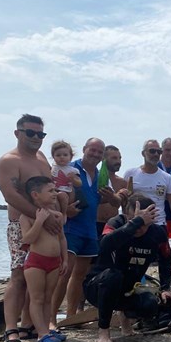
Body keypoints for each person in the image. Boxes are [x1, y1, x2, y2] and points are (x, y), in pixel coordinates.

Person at [0, 114, 63, 342]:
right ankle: (11, 329)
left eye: (41, 134)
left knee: (41, 281)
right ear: (18, 133)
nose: (36, 138)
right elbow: (10, 195)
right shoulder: (9, 161)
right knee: (18, 275)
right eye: (31, 133)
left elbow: (50, 190)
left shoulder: (42, 158)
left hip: (49, 225)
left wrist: (57, 215)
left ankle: (30, 324)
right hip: (21, 224)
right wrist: (39, 218)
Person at [84, 196, 171, 342]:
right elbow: (104, 245)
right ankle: (103, 330)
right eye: (135, 220)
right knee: (113, 276)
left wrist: (166, 288)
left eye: (144, 223)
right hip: (97, 287)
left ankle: (125, 316)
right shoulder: (116, 223)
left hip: (127, 291)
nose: (139, 228)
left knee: (150, 305)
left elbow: (166, 259)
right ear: (128, 216)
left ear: (152, 218)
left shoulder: (157, 233)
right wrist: (135, 223)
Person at [51, 138, 120, 325]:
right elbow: (52, 193)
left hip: (90, 229)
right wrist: (65, 210)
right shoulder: (69, 168)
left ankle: (71, 316)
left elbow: (105, 200)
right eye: (92, 150)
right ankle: (50, 319)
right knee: (64, 272)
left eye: (99, 152)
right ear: (84, 149)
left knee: (80, 274)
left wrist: (113, 197)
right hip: (71, 228)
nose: (95, 154)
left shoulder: (100, 174)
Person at [20, 176, 68, 342]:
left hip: (54, 261)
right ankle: (41, 333)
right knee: (37, 298)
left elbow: (61, 238)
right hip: (36, 262)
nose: (55, 193)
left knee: (49, 297)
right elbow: (28, 239)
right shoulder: (27, 216)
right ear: (35, 194)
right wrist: (39, 221)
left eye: (55, 190)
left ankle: (47, 329)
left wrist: (65, 259)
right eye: (50, 191)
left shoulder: (57, 215)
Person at [123, 139, 171, 243]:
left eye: (158, 152)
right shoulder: (131, 173)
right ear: (143, 153)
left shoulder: (167, 178)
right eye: (151, 151)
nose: (155, 154)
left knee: (162, 257)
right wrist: (126, 221)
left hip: (158, 224)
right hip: (136, 224)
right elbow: (125, 200)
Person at [96, 145, 128, 237]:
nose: (118, 161)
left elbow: (126, 209)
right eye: (114, 158)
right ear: (103, 159)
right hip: (95, 223)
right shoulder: (95, 178)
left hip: (113, 225)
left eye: (119, 158)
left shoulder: (122, 182)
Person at [50, 140, 84, 212]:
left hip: (67, 192)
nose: (62, 157)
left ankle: (64, 213)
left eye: (65, 155)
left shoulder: (73, 170)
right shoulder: (52, 169)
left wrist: (73, 179)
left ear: (71, 157)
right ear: (53, 157)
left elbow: (79, 183)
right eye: (58, 155)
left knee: (63, 195)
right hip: (55, 191)